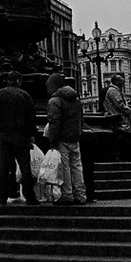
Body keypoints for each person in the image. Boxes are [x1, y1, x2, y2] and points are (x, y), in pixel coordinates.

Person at [0, 71, 40, 206]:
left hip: (5, 137)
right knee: (25, 168)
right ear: (19, 81)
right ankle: (30, 197)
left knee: (3, 168)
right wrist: (30, 134)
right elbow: (31, 117)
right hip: (22, 137)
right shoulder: (25, 95)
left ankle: (2, 198)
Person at [45, 72, 86, 206]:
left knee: (64, 168)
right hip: (74, 138)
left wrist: (52, 140)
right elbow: (81, 119)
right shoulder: (75, 100)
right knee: (77, 167)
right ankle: (80, 195)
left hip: (62, 139)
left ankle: (67, 195)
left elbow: (54, 123)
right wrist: (78, 133)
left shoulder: (55, 101)